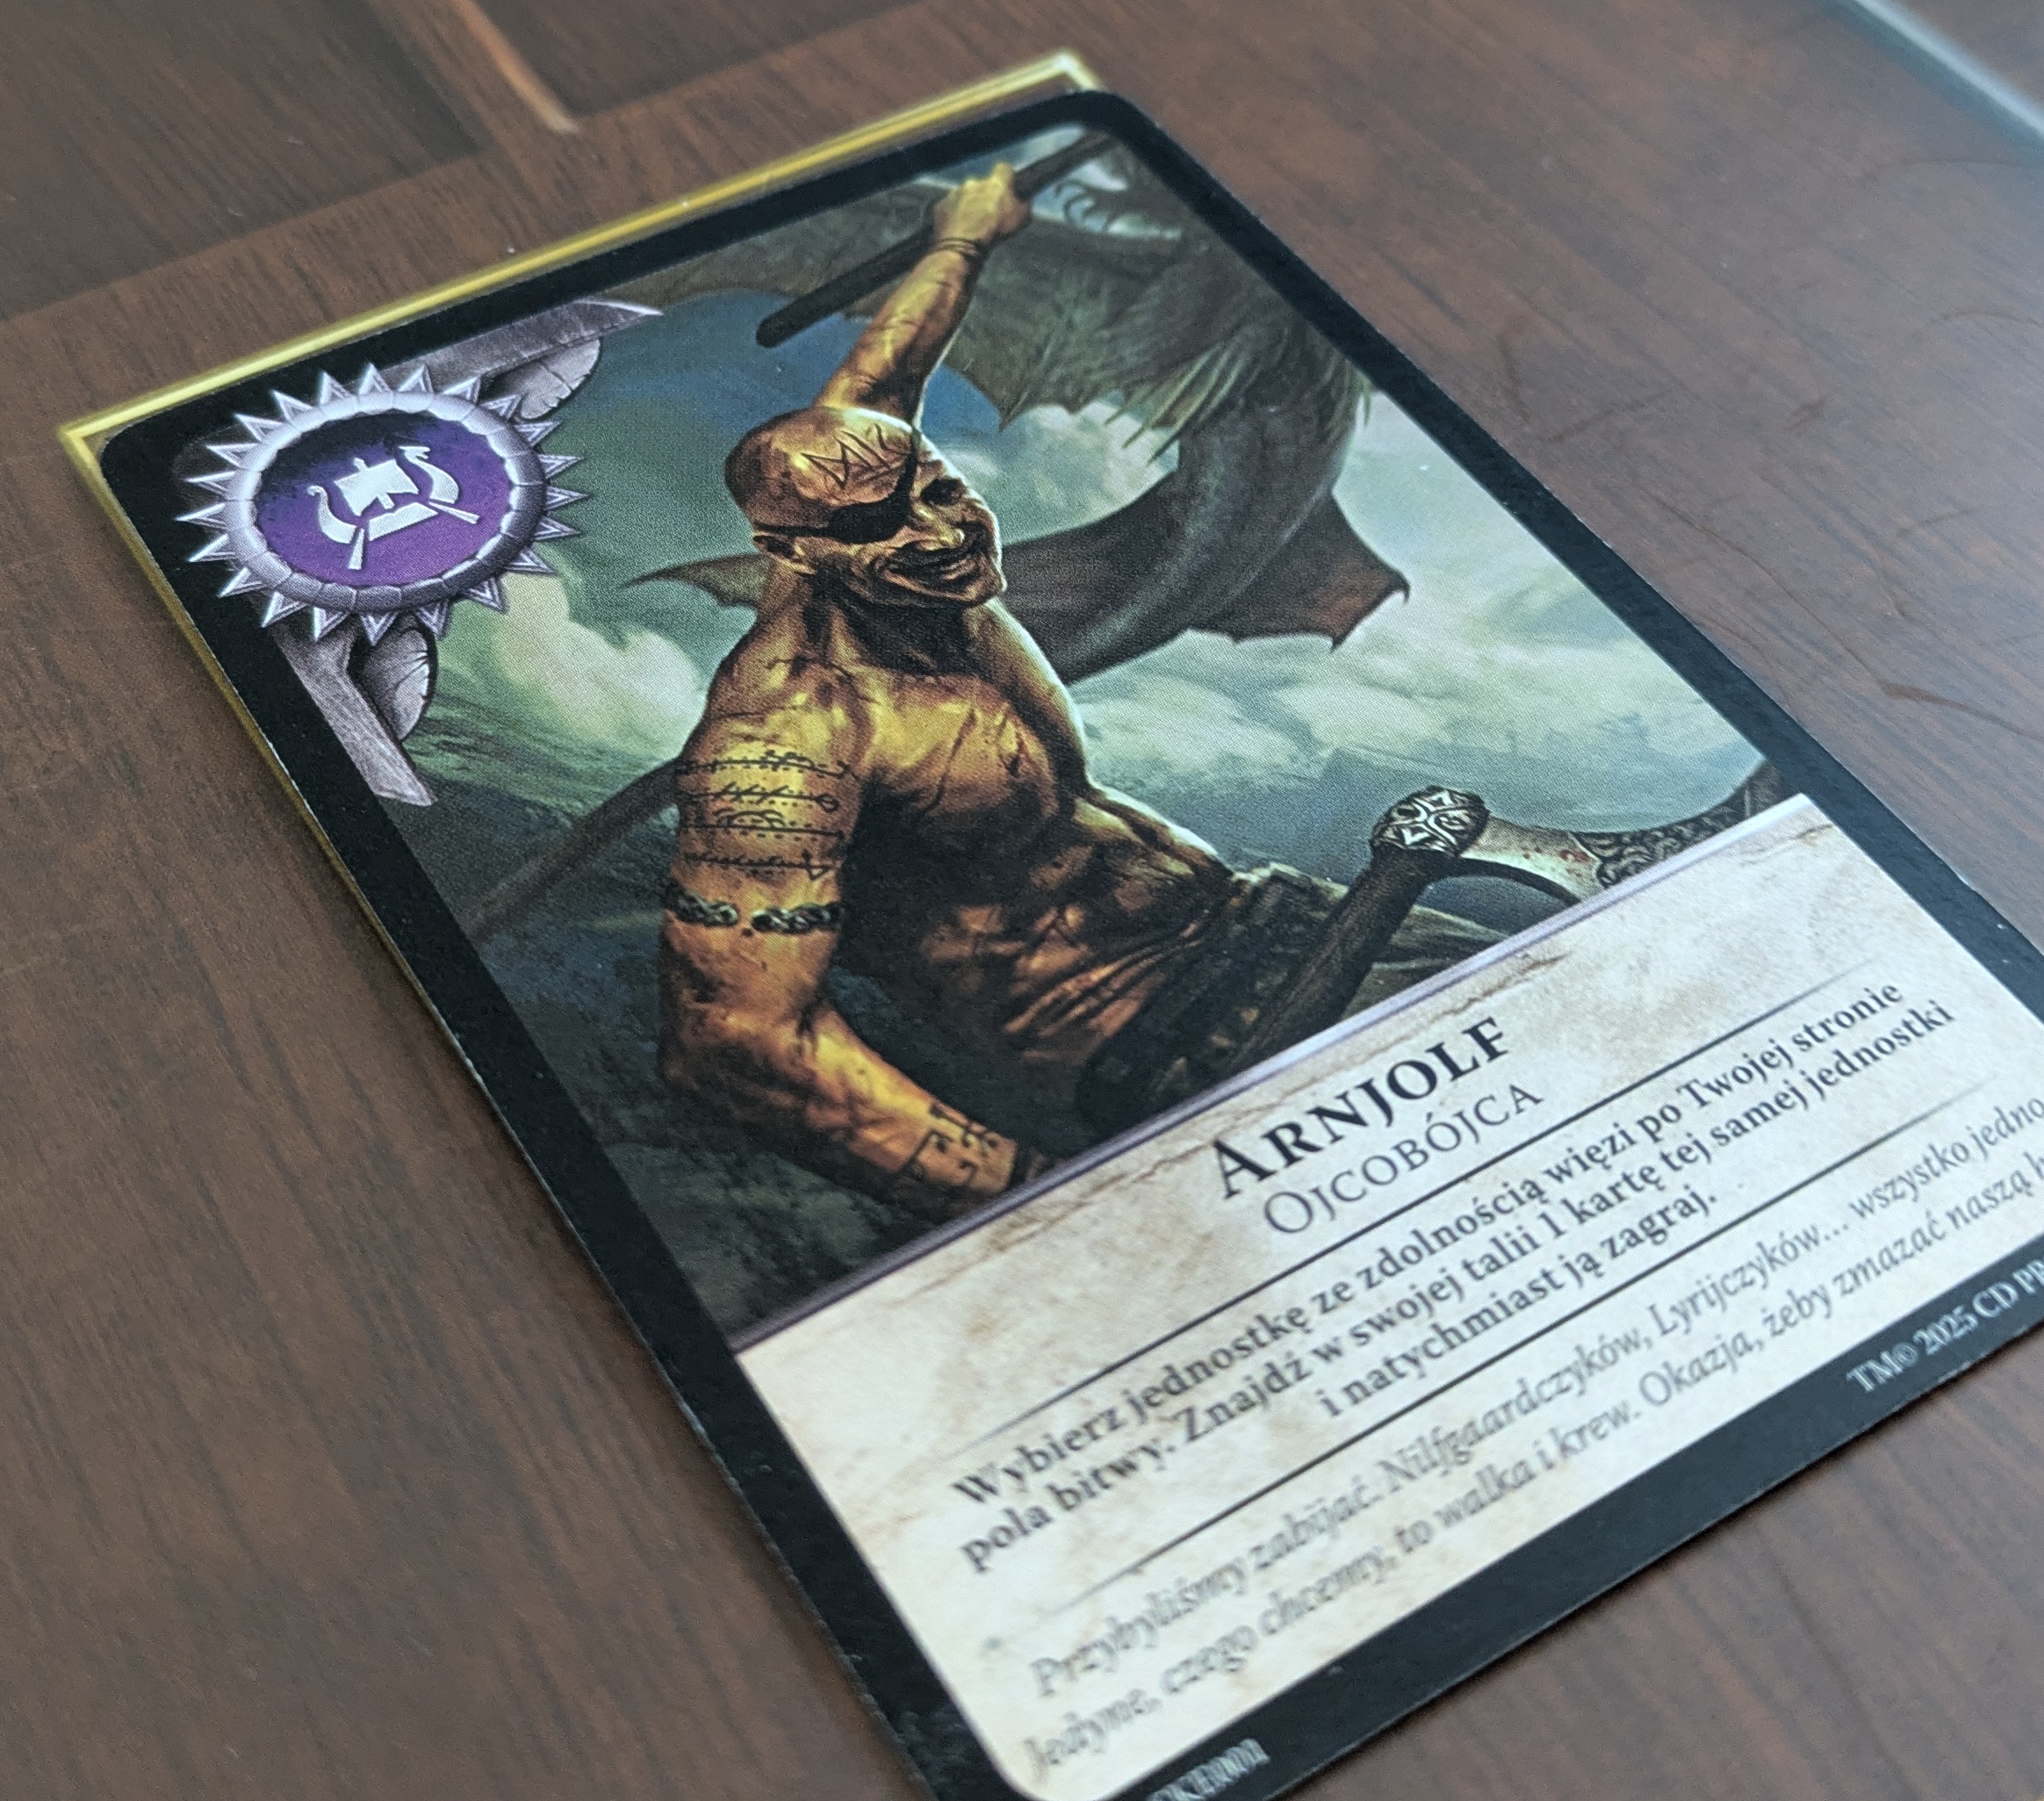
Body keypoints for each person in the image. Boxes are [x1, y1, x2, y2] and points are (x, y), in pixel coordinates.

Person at [658, 166, 1737, 1214]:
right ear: (787, 551)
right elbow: (737, 1041)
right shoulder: (786, 737)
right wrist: (1047, 1203)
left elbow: (879, 385)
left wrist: (962, 238)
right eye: (880, 527)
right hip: (1177, 1032)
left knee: (1677, 1053)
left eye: (941, 491)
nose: (941, 535)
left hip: (1283, 920)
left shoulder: (872, 484)